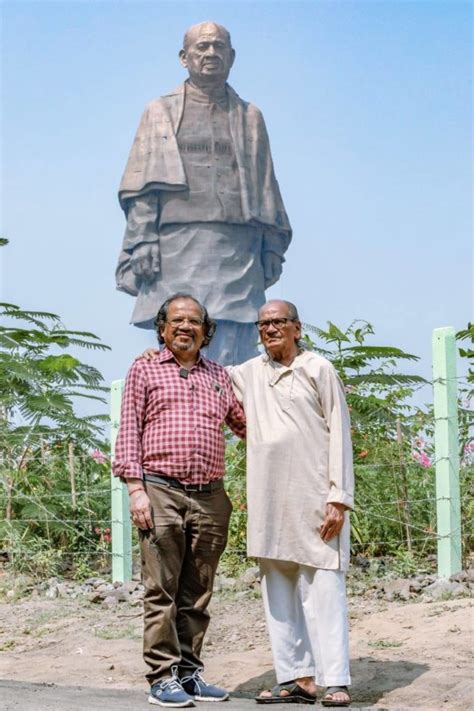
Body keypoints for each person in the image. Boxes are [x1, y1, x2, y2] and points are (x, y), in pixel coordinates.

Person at [115, 21, 291, 365]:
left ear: (232, 56)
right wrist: (143, 240)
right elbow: (142, 187)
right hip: (178, 241)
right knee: (182, 325)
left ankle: (232, 407)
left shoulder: (250, 116)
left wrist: (271, 246)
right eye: (202, 47)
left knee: (239, 335)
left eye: (218, 47)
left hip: (237, 247)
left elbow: (267, 187)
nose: (211, 54)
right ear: (184, 57)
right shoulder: (161, 110)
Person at [112, 294, 246, 708]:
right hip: (160, 490)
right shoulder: (144, 368)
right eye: (177, 321)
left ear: (207, 332)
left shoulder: (220, 377)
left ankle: (189, 673)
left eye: (194, 321)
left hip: (210, 496)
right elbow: (129, 429)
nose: (185, 327)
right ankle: (161, 677)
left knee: (198, 592)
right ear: (162, 328)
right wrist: (136, 490)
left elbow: (247, 425)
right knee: (161, 591)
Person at [230, 300, 354, 707]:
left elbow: (339, 431)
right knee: (277, 588)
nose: (269, 329)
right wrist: (156, 354)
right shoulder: (248, 373)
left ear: (297, 327)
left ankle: (334, 678)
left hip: (315, 495)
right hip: (268, 499)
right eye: (263, 324)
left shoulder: (318, 368)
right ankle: (296, 677)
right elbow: (205, 375)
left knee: (323, 585)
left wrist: (339, 497)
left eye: (278, 322)